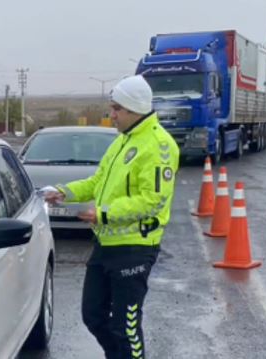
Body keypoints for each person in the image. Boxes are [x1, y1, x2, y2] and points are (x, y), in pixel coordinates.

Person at [44, 75, 179, 359]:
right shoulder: (121, 142)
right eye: (112, 107)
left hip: (135, 249)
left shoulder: (159, 146)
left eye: (117, 108)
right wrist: (63, 192)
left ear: (134, 109)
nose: (112, 114)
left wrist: (103, 214)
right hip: (106, 245)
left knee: (125, 326)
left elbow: (152, 201)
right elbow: (98, 182)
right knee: (93, 315)